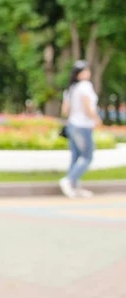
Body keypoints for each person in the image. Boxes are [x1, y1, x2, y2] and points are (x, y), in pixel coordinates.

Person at [59, 60, 101, 198]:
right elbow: (87, 105)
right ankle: (69, 180)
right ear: (80, 74)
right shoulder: (85, 86)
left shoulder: (70, 89)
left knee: (76, 157)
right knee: (87, 156)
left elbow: (65, 110)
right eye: (86, 70)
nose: (88, 72)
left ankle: (74, 187)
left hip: (72, 124)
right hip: (83, 125)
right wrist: (96, 118)